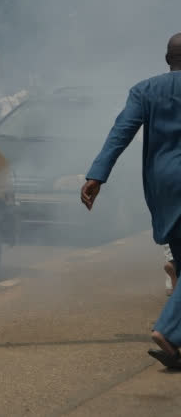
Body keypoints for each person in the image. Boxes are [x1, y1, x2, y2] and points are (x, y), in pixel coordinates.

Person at [81, 32, 181, 368]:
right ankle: (168, 331)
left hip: (164, 185)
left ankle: (175, 343)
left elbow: (120, 132)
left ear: (168, 59)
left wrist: (97, 175)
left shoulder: (145, 90)